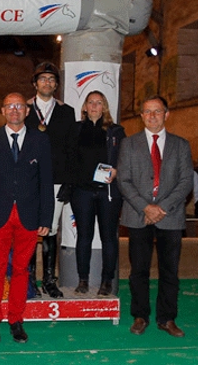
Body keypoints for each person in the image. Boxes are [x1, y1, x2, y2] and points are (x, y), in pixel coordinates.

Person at [0, 93, 53, 344]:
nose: (15, 110)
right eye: (10, 106)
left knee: (21, 270)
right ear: (2, 110)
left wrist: (46, 217)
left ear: (27, 111)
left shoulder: (40, 140)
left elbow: (46, 182)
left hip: (29, 216)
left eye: (19, 106)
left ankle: (16, 320)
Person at [116, 95, 193, 338]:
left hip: (170, 216)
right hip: (138, 215)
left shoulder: (181, 145)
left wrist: (161, 208)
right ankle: (140, 316)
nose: (152, 116)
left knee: (169, 270)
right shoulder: (129, 144)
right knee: (139, 269)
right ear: (141, 116)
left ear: (166, 114)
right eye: (147, 112)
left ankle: (167, 318)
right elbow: (124, 180)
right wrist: (145, 207)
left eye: (157, 111)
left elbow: (186, 182)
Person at [24, 61, 75, 299]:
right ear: (35, 83)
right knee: (28, 231)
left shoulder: (67, 112)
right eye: (43, 79)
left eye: (52, 80)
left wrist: (68, 181)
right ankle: (29, 281)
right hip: (28, 181)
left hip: (55, 180)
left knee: (51, 231)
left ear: (56, 85)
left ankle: (49, 281)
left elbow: (71, 149)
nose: (47, 83)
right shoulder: (22, 110)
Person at [67, 90, 125, 296]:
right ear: (84, 106)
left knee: (109, 237)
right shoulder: (75, 129)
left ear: (104, 107)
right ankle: (83, 279)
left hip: (108, 192)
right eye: (90, 102)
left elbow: (124, 157)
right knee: (84, 236)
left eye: (99, 102)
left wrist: (117, 170)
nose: (94, 106)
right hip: (82, 191)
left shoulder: (116, 131)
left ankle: (106, 281)